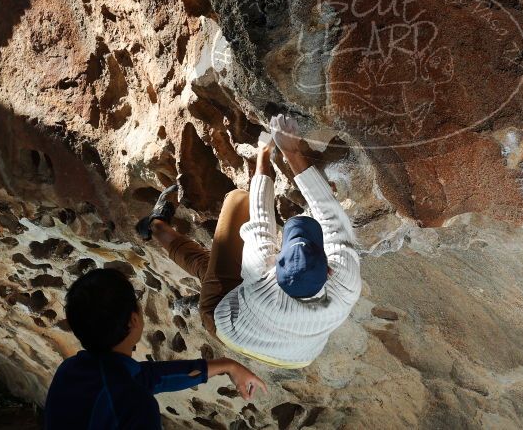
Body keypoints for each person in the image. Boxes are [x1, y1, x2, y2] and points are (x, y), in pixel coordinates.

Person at [136, 114, 362, 368]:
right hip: (294, 355)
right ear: (329, 268)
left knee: (238, 200)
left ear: (275, 264)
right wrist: (291, 152)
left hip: (227, 326)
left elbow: (261, 215)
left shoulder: (262, 273)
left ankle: (155, 226)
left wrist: (266, 152)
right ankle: (155, 229)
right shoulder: (345, 280)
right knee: (211, 268)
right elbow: (328, 210)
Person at [44, 268, 266, 430]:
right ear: (133, 320)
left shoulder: (70, 371)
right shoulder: (135, 404)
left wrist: (228, 366)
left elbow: (151, 377)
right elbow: (137, 385)